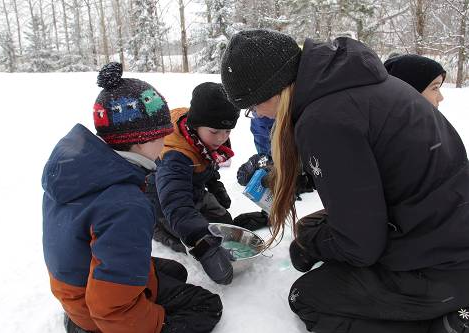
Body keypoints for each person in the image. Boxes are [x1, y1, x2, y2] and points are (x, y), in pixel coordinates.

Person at [221, 29, 469, 333]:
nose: (257, 115)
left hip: (440, 264)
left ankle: (443, 323)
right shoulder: (352, 82)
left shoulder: (323, 120)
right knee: (309, 229)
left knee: (307, 297)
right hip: (444, 227)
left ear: (274, 92)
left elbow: (361, 245)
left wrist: (310, 247)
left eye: (253, 106)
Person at [42, 62, 222, 333]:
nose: (166, 142)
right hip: (98, 313)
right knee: (207, 306)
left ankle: (81, 320)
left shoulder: (79, 169)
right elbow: (110, 309)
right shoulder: (125, 205)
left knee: (175, 272)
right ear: (141, 140)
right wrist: (156, 323)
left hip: (74, 291)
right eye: (162, 135)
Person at [149, 82, 244, 285]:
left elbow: (207, 163)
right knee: (186, 239)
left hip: (193, 190)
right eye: (215, 131)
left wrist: (216, 187)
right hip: (163, 200)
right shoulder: (175, 156)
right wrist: (204, 247)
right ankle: (156, 227)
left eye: (227, 131)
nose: (222, 138)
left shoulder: (205, 138)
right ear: (196, 124)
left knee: (224, 225)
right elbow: (176, 205)